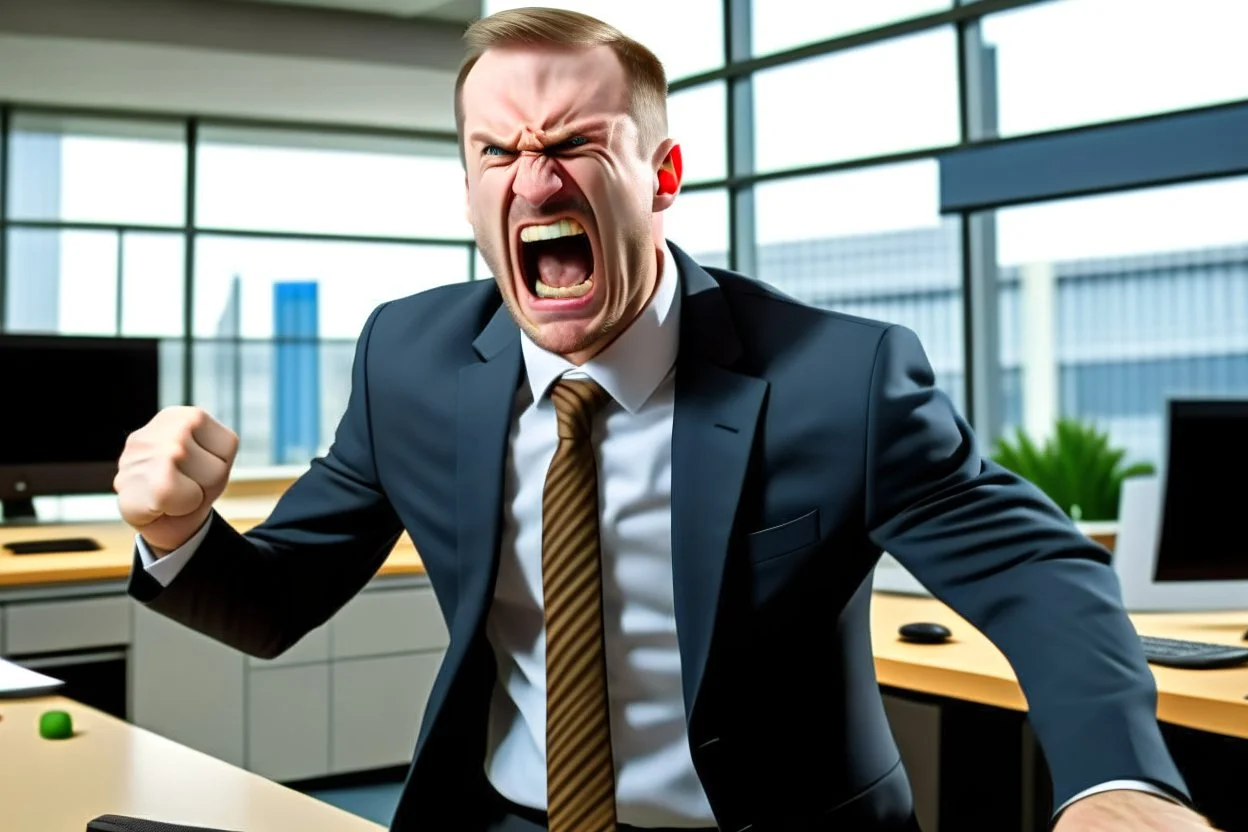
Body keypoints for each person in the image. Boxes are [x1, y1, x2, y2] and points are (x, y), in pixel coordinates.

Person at [115, 8, 1217, 832]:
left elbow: (1037, 572)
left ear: (664, 175)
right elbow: (276, 600)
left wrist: (1118, 782)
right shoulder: (410, 358)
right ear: (467, 196)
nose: (534, 179)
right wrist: (176, 535)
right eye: (498, 153)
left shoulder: (842, 376)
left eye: (574, 143)